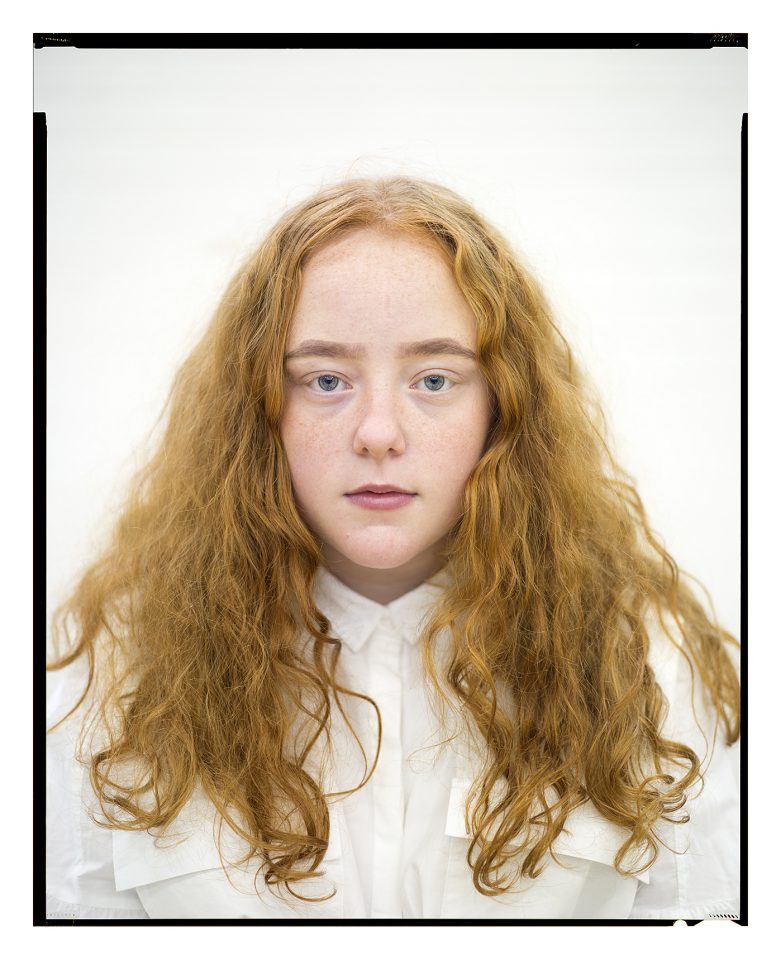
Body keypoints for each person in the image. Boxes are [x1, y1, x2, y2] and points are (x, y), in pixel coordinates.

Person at [46, 176, 741, 921]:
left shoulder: (650, 664)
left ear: (502, 406)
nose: (378, 432)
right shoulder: (111, 672)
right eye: (326, 380)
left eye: (434, 379)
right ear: (258, 408)